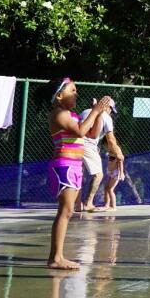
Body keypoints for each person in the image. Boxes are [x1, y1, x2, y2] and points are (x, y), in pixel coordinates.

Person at [46, 78, 112, 270]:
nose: (76, 94)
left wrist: (98, 115)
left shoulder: (71, 115)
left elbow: (91, 134)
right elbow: (82, 131)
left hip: (73, 166)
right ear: (59, 96)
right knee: (65, 211)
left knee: (69, 211)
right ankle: (55, 258)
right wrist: (95, 111)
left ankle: (57, 256)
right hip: (64, 166)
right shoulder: (59, 114)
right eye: (72, 90)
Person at [76, 97, 118, 212]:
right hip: (88, 145)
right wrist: (119, 154)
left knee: (79, 175)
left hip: (74, 144)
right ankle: (88, 203)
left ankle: (77, 204)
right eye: (111, 110)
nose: (111, 113)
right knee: (98, 175)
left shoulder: (85, 111)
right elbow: (111, 139)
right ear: (107, 107)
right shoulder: (106, 117)